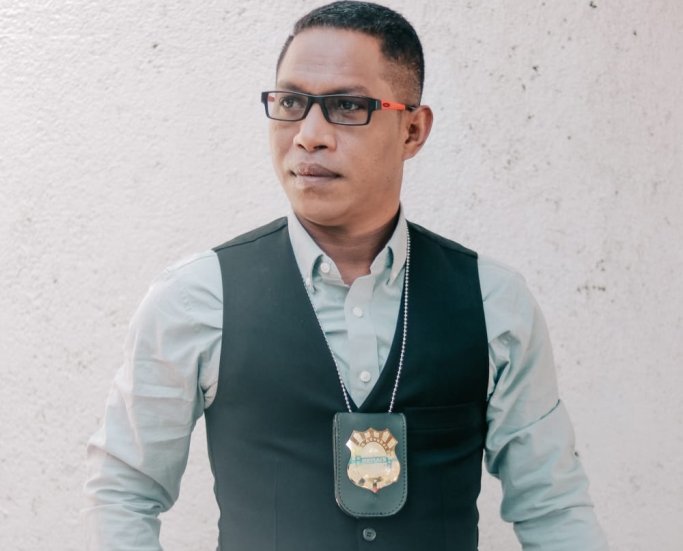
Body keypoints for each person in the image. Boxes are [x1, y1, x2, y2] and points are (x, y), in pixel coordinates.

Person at [84, 2, 608, 550]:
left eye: (347, 106)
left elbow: (554, 508)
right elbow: (123, 490)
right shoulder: (196, 297)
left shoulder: (492, 301)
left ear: (412, 130)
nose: (309, 135)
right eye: (291, 103)